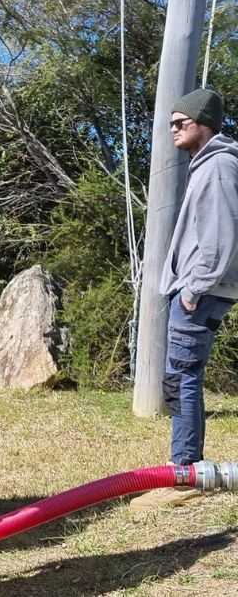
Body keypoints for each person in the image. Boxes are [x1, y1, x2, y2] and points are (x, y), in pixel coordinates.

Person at [131, 88, 238, 509]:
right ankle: (184, 466)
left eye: (181, 122)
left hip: (201, 292)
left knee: (182, 377)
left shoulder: (219, 168)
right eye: (172, 122)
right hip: (200, 290)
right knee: (180, 376)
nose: (173, 129)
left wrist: (192, 290)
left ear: (203, 123)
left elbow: (220, 239)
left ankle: (185, 469)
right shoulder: (208, 166)